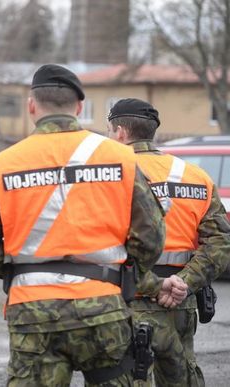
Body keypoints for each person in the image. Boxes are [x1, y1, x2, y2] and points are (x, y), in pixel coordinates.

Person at [0, 64, 166, 386]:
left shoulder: (2, 165)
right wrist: (123, 271)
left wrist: (19, 269)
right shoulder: (121, 158)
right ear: (80, 107)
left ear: (31, 106)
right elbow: (152, 237)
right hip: (103, 304)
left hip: (32, 310)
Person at [107, 98, 230, 386]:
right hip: (180, 304)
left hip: (127, 301)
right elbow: (221, 242)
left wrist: (153, 284)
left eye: (110, 131)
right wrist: (184, 283)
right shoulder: (197, 177)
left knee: (128, 377)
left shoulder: (110, 176)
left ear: (121, 132)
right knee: (181, 377)